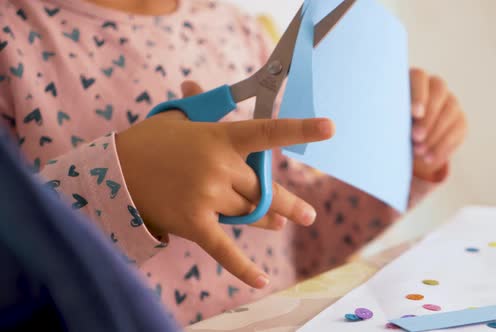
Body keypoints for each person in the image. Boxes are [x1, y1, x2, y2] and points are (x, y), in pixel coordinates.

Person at [0, 0, 467, 325]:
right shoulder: (10, 39)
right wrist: (127, 184)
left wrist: (406, 156)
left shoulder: (239, 30)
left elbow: (299, 244)